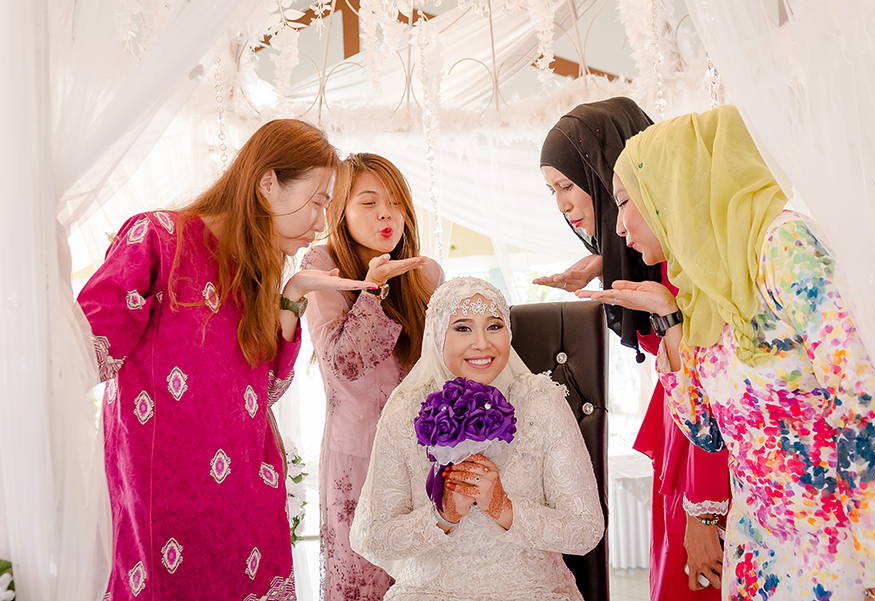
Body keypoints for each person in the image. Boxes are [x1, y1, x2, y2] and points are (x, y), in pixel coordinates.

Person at [580, 104, 875, 599]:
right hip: (762, 556)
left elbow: (866, 399)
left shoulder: (784, 247)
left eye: (625, 201)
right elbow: (708, 434)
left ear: (675, 186)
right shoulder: (703, 287)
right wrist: (668, 317)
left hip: (845, 555)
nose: (619, 227)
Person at [77, 119, 377, 600]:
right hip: (164, 513)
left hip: (247, 512)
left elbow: (267, 393)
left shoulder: (255, 276)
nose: (322, 223)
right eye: (319, 201)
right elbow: (81, 356)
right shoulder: (157, 240)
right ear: (267, 184)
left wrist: (292, 296)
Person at [537, 98, 731, 596]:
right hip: (685, 438)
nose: (560, 205)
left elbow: (714, 388)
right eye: (551, 191)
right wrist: (607, 260)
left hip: (704, 453)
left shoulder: (692, 265)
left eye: (566, 185)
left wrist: (704, 506)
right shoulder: (655, 256)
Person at [349, 276, 604, 600]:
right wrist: (441, 515)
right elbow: (376, 536)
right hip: (431, 591)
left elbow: (586, 530)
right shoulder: (405, 409)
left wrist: (504, 508)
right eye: (463, 328)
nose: (482, 343)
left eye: (494, 326)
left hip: (531, 590)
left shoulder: (543, 402)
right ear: (438, 334)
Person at [300, 153, 444, 600]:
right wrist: (373, 289)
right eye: (368, 202)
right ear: (339, 210)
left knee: (422, 581)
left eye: (395, 201)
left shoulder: (427, 273)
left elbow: (444, 370)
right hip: (357, 458)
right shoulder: (320, 264)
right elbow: (343, 361)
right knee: (362, 581)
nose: (386, 212)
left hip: (424, 457)